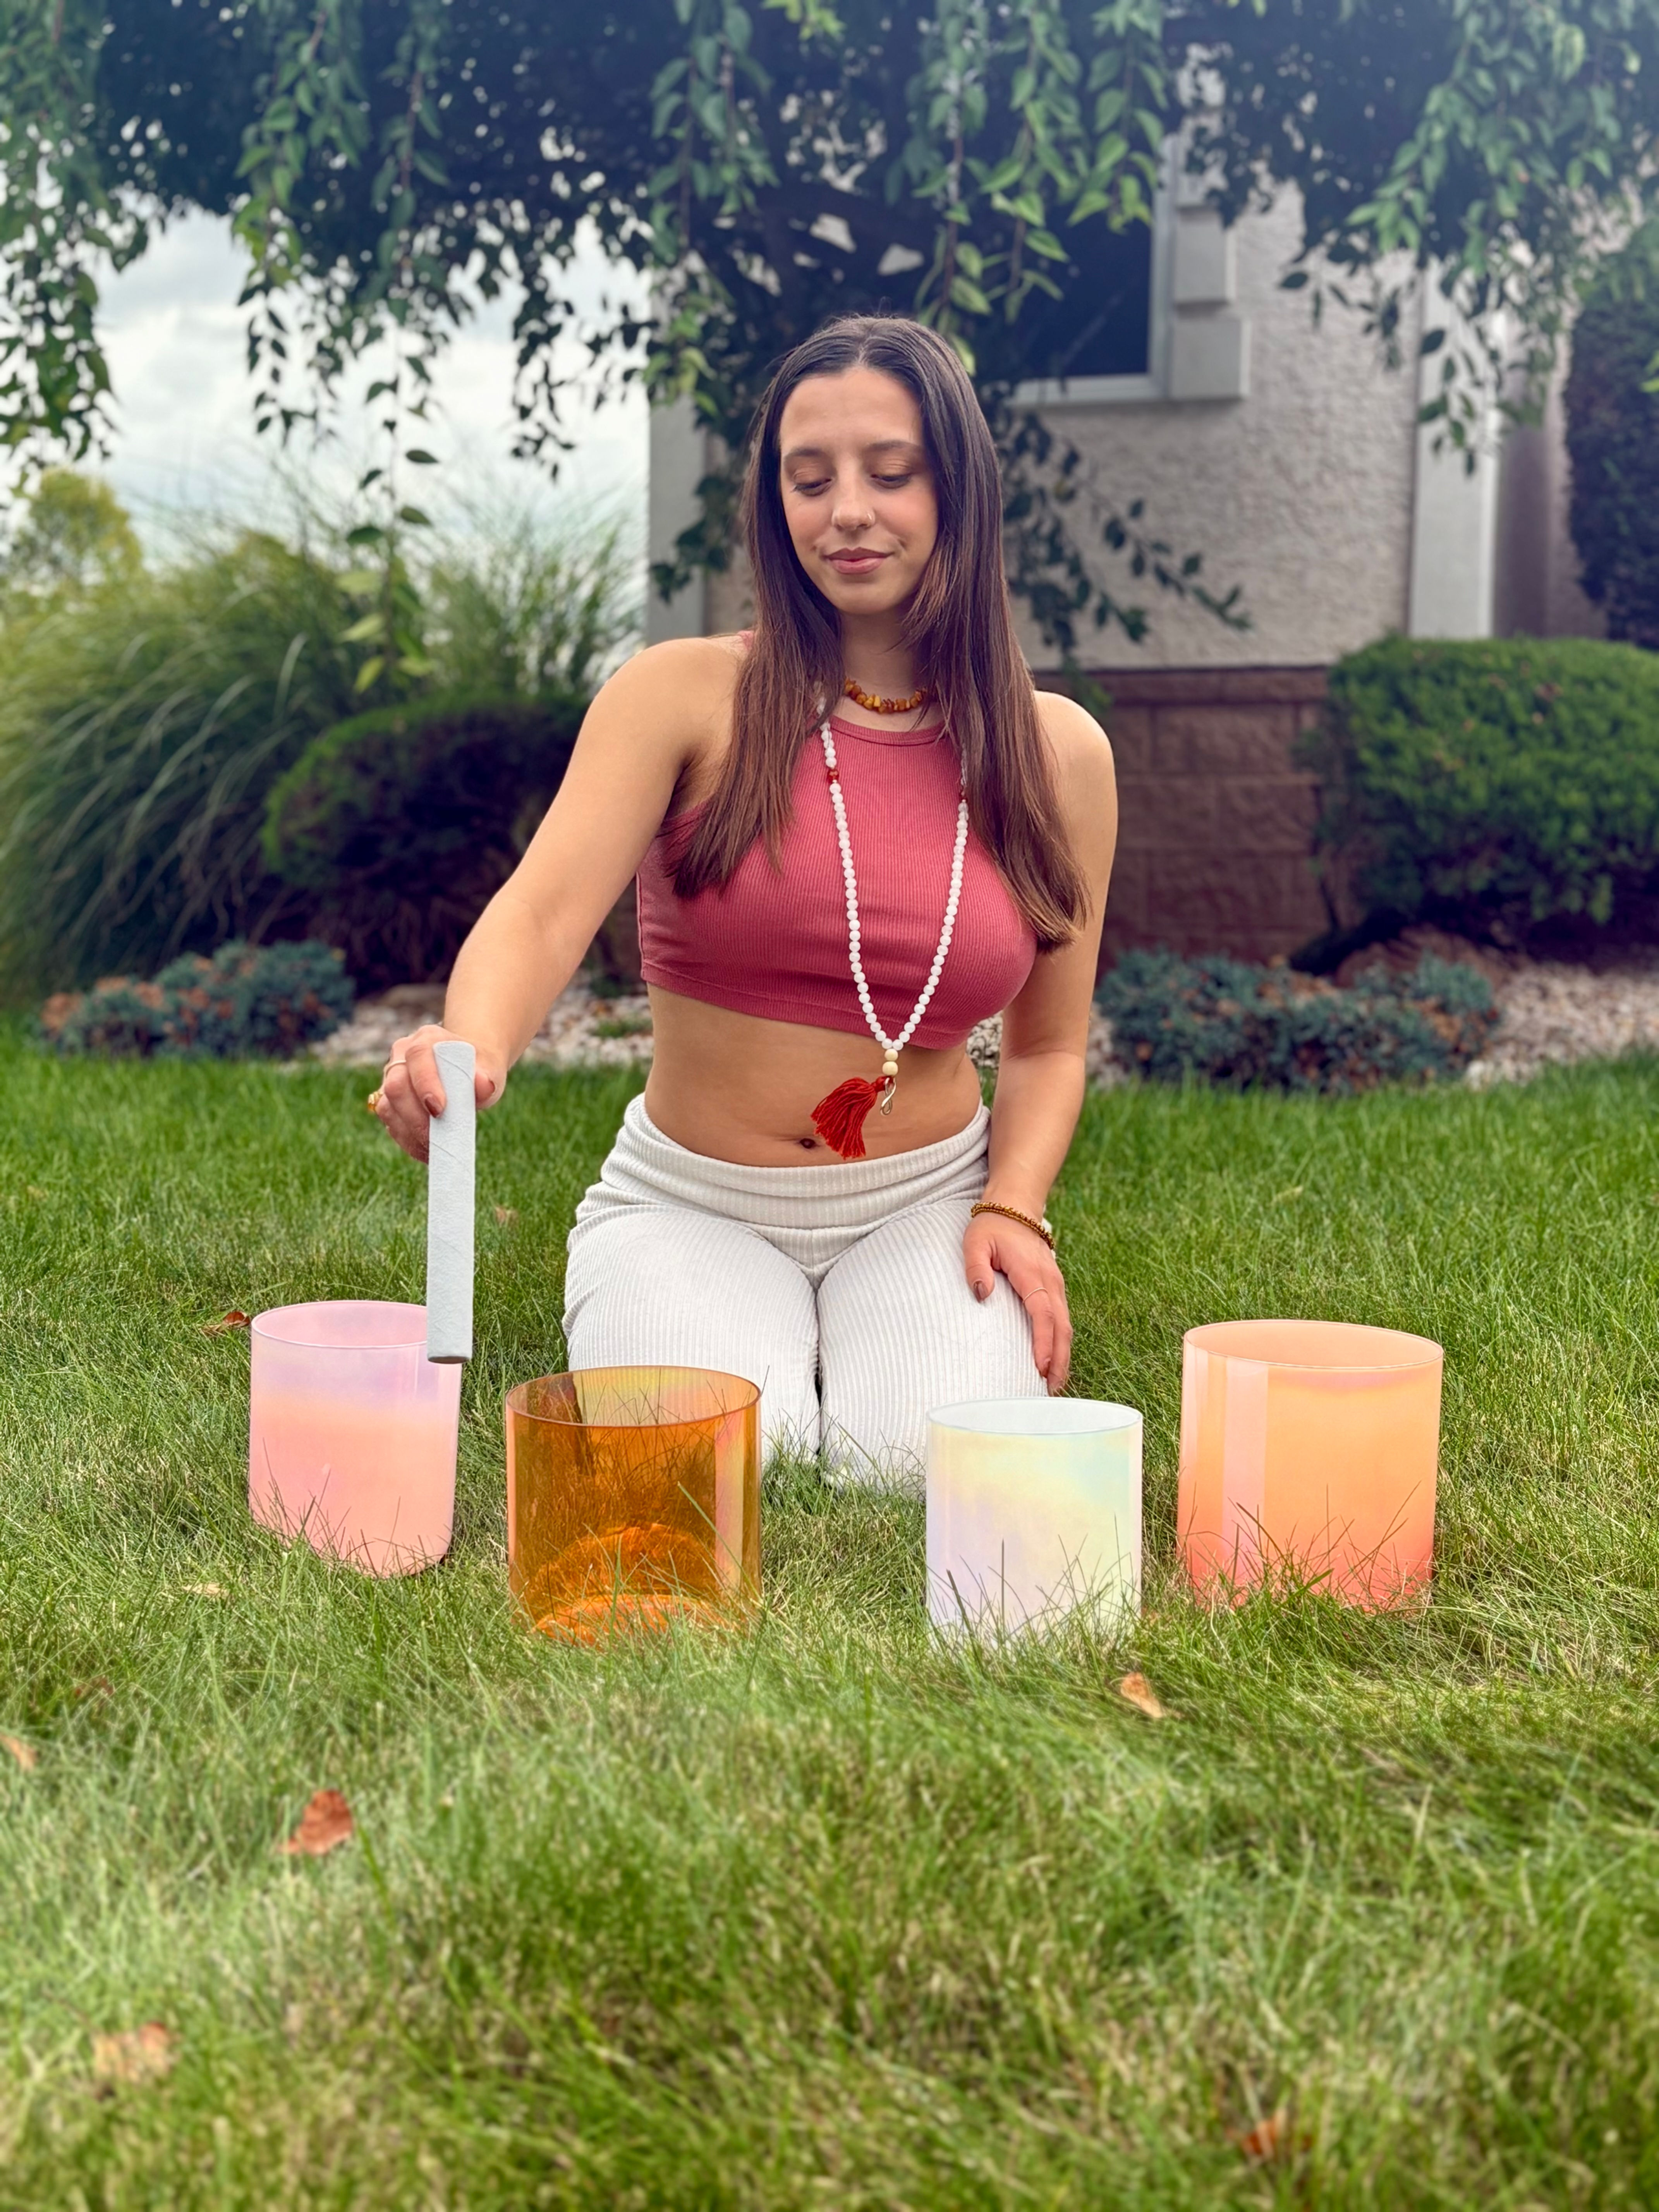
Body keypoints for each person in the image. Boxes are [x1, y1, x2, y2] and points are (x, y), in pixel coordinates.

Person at [372, 314, 1117, 1476]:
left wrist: (1011, 1206)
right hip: (692, 1202)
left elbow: (1049, 1048)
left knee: (921, 1469)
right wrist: (468, 1048)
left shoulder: (1056, 753)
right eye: (808, 480)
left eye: (890, 472)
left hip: (928, 1201)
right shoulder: (681, 694)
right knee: (716, 1467)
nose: (846, 511)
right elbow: (542, 911)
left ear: (959, 492)